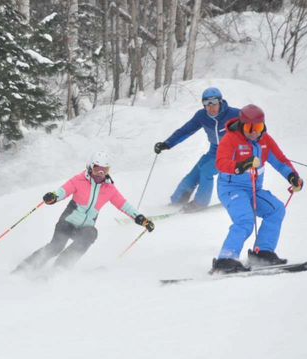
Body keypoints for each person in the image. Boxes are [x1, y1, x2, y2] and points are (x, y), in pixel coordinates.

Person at [13, 151, 155, 272]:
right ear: (89, 167)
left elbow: (124, 205)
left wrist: (141, 219)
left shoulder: (109, 189)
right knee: (56, 246)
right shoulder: (79, 180)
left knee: (91, 233)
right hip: (67, 223)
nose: (100, 173)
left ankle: (59, 269)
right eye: (97, 168)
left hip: (84, 228)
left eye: (104, 170)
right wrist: (53, 197)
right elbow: (64, 191)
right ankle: (25, 269)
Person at [211, 104, 304, 273]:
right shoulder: (231, 139)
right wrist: (242, 165)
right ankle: (225, 259)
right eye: (249, 128)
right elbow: (221, 163)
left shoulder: (265, 140)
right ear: (241, 125)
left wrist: (293, 177)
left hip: (254, 190)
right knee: (245, 220)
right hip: (231, 189)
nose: (254, 132)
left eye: (258, 127)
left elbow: (280, 161)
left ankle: (262, 253)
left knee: (276, 210)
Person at [154, 87, 241, 212]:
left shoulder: (234, 114)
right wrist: (167, 144)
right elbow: (186, 130)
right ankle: (178, 201)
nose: (211, 107)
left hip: (231, 152)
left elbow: (255, 121)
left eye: (214, 103)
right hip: (215, 149)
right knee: (196, 171)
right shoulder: (202, 116)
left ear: (220, 102)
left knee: (207, 170)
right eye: (207, 104)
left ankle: (200, 203)